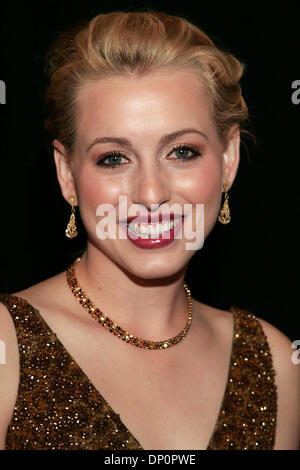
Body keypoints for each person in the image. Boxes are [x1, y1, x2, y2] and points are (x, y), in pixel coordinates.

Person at [0, 10, 299, 451]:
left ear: (228, 158)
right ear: (67, 173)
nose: (151, 193)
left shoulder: (273, 361)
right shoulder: (8, 348)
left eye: (181, 151)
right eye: (114, 158)